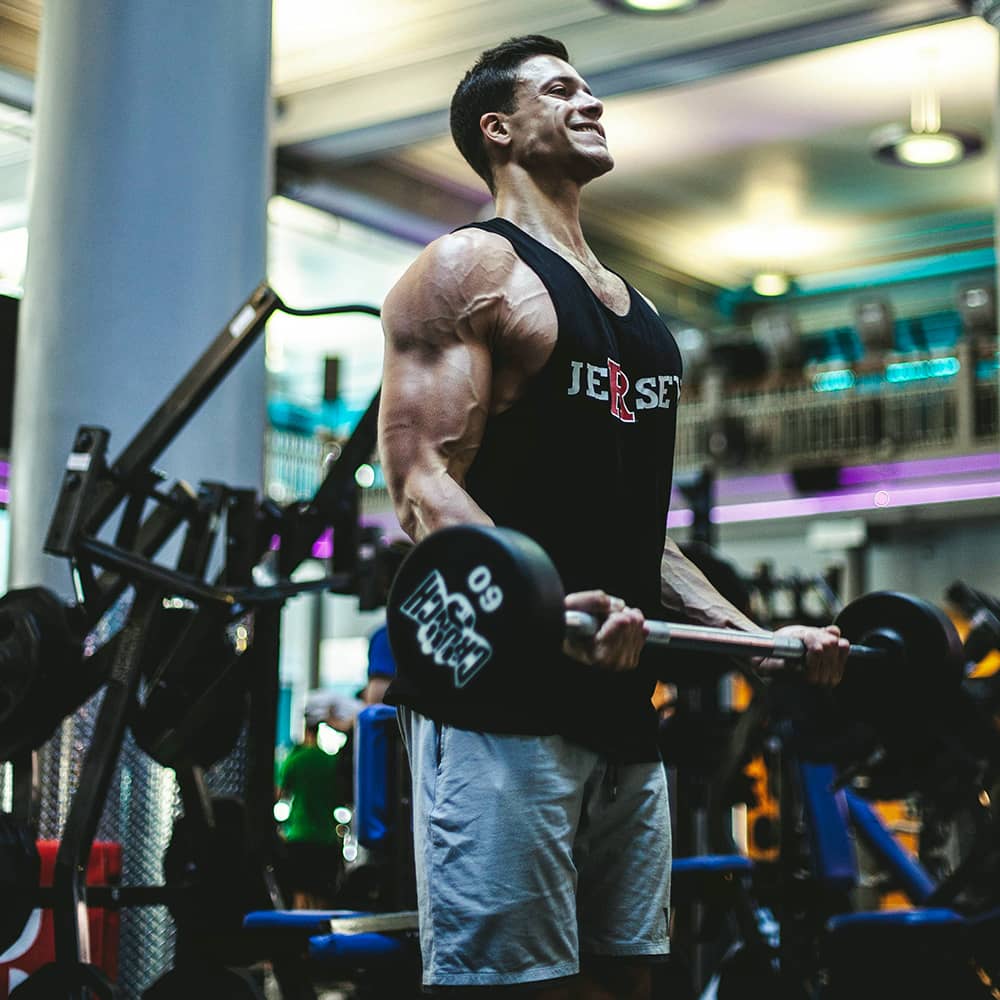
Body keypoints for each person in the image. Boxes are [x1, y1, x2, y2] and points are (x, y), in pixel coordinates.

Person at [377, 35, 849, 999]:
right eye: (562, 90)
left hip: (624, 707)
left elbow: (642, 532)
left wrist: (754, 640)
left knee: (632, 980)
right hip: (502, 710)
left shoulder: (637, 315)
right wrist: (540, 607)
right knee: (518, 988)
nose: (592, 101)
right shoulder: (469, 270)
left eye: (591, 87)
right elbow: (421, 479)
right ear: (497, 129)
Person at [276, 706, 352, 909]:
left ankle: (300, 939)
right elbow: (341, 798)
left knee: (300, 894)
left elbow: (279, 794)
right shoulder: (330, 761)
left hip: (300, 835)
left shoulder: (295, 759)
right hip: (326, 838)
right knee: (323, 897)